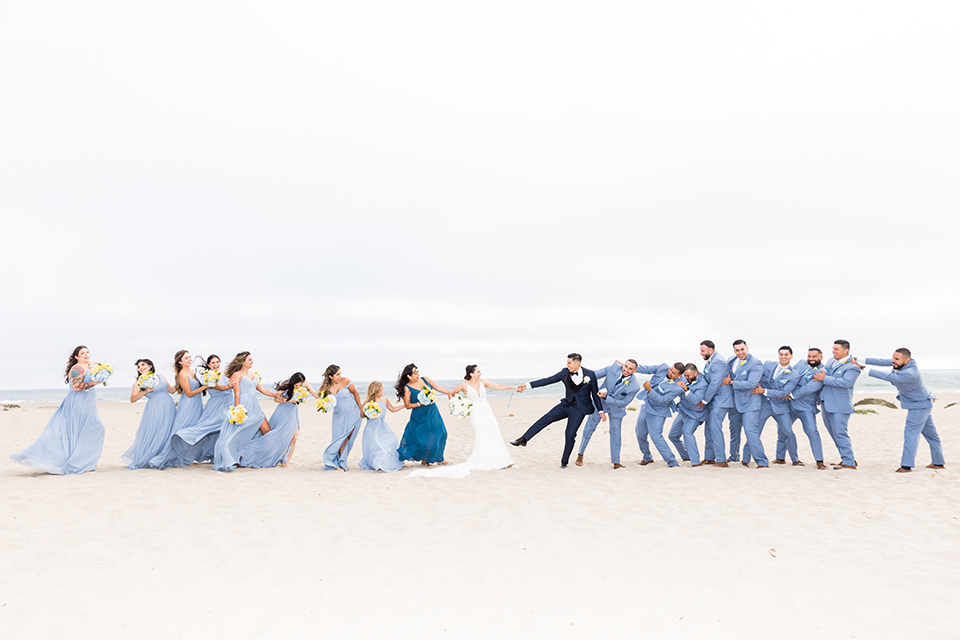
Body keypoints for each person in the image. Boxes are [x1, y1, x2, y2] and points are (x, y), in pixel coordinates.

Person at [10, 345, 106, 474]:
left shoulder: (87, 367)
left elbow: (92, 372)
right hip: (78, 402)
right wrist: (97, 382)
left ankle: (84, 462)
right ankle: (76, 462)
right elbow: (78, 387)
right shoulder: (77, 368)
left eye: (87, 352)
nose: (86, 355)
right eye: (82, 353)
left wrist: (99, 366)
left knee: (91, 430)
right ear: (76, 356)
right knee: (86, 430)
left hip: (88, 402)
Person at [855, 348, 946, 473]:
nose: (893, 361)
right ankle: (938, 463)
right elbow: (882, 361)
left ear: (907, 360)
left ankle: (906, 466)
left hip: (919, 405)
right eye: (893, 357)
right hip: (924, 403)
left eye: (896, 359)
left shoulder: (910, 373)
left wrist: (860, 366)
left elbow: (886, 376)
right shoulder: (906, 362)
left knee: (911, 434)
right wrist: (857, 358)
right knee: (931, 435)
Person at [511, 353, 605, 469]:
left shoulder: (590, 375)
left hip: (579, 410)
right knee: (546, 418)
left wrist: (601, 410)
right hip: (566, 405)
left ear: (578, 363)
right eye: (567, 362)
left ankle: (564, 462)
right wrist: (527, 385)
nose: (567, 365)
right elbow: (548, 380)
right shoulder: (564, 372)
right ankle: (524, 439)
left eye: (569, 363)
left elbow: (595, 394)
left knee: (570, 434)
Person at [213, 351, 277, 472]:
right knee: (239, 434)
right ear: (243, 362)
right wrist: (238, 411)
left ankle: (261, 457)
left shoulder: (253, 375)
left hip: (255, 408)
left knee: (267, 432)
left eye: (252, 360)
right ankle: (236, 458)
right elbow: (237, 393)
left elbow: (262, 390)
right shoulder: (236, 375)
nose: (252, 362)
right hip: (244, 407)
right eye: (249, 360)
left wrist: (275, 396)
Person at [169, 354, 236, 465]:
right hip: (210, 405)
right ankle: (181, 437)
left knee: (220, 429)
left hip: (222, 403)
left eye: (217, 362)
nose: (216, 364)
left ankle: (217, 454)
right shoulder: (208, 376)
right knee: (204, 427)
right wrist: (226, 386)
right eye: (213, 362)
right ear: (208, 365)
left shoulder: (221, 374)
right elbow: (218, 387)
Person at [238, 372, 314, 468]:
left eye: (300, 385)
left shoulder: (304, 384)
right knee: (279, 437)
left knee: (294, 438)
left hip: (293, 413)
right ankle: (257, 453)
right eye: (296, 385)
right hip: (283, 413)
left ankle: (286, 461)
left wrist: (323, 399)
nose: (298, 387)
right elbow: (276, 399)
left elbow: (314, 394)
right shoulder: (285, 385)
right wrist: (289, 400)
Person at [150, 350, 210, 469]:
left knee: (193, 430)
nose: (189, 359)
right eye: (186, 358)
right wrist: (205, 386)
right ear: (180, 362)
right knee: (183, 429)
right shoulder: (182, 374)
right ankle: (173, 457)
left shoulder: (192, 371)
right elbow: (189, 393)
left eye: (189, 357)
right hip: (188, 404)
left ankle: (186, 457)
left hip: (196, 404)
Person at [576, 359, 639, 469]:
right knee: (589, 428)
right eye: (626, 366)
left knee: (616, 434)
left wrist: (607, 397)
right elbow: (593, 375)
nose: (626, 370)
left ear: (634, 371)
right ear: (623, 365)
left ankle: (616, 462)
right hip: (599, 404)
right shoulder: (612, 368)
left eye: (630, 369)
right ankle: (580, 454)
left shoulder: (635, 386)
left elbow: (624, 403)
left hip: (616, 409)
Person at [122, 358, 177, 469]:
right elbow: (133, 399)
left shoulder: (161, 377)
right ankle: (152, 457)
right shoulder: (139, 382)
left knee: (168, 430)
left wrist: (179, 378)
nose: (140, 368)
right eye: (138, 367)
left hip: (169, 406)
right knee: (156, 431)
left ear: (150, 366)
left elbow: (171, 390)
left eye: (143, 365)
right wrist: (145, 391)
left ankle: (165, 457)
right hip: (155, 408)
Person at [752, 346, 802, 466]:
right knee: (754, 431)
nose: (783, 357)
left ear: (791, 356)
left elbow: (784, 393)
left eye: (786, 354)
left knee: (789, 432)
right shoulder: (768, 364)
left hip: (781, 407)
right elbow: (758, 376)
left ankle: (795, 459)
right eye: (781, 354)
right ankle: (746, 459)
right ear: (778, 355)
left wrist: (764, 391)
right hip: (765, 405)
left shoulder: (794, 375)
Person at [396, 364, 454, 465]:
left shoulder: (425, 379)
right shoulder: (407, 388)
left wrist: (451, 392)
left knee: (442, 433)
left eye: (417, 371)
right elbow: (408, 405)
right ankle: (426, 459)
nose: (418, 374)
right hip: (419, 415)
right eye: (414, 373)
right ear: (409, 376)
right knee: (424, 438)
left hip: (433, 412)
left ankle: (439, 458)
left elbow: (439, 388)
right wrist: (420, 403)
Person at [816, 339, 860, 470]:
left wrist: (825, 378)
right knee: (833, 433)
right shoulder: (831, 361)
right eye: (833, 348)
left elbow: (846, 383)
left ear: (846, 351)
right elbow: (823, 371)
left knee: (840, 433)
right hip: (826, 402)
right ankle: (847, 458)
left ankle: (849, 463)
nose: (833, 351)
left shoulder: (852, 366)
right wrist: (825, 376)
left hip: (840, 405)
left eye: (836, 349)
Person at [634, 362, 686, 467]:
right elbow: (646, 368)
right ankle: (647, 457)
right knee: (640, 433)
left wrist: (649, 389)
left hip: (658, 411)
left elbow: (663, 401)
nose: (669, 372)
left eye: (673, 373)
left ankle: (672, 461)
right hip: (646, 405)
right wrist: (630, 366)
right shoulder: (663, 367)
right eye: (670, 370)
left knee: (656, 436)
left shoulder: (678, 387)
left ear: (679, 376)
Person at [727, 340, 767, 468]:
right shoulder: (731, 360)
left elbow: (751, 384)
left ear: (747, 348)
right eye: (737, 350)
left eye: (742, 349)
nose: (740, 352)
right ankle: (734, 457)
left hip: (750, 403)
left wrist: (731, 383)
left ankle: (761, 461)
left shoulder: (756, 363)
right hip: (734, 403)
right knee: (734, 431)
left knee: (751, 432)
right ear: (734, 351)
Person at [788, 348, 827, 469]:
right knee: (784, 430)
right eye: (809, 356)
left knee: (811, 431)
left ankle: (819, 461)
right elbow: (791, 375)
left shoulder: (823, 370)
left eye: (814, 356)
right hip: (790, 404)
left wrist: (791, 394)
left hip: (806, 406)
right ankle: (780, 458)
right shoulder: (801, 363)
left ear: (821, 357)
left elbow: (811, 387)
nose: (811, 359)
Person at [698, 340, 736, 466]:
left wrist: (704, 400)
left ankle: (721, 460)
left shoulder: (718, 361)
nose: (701, 353)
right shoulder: (710, 361)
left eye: (703, 351)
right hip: (714, 399)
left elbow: (714, 384)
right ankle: (709, 457)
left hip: (721, 399)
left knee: (715, 428)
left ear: (711, 350)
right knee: (708, 429)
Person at [320, 365, 364, 471]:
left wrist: (361, 409)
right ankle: (342, 463)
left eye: (340, 373)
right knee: (340, 438)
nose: (340, 376)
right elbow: (321, 400)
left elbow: (356, 395)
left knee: (349, 437)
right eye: (337, 374)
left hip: (353, 412)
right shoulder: (325, 388)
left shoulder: (345, 381)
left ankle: (342, 460)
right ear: (330, 376)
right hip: (338, 415)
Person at [357, 381, 405, 472]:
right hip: (371, 428)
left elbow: (393, 409)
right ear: (375, 391)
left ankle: (387, 462)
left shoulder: (385, 400)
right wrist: (369, 412)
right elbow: (362, 415)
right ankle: (377, 464)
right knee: (376, 447)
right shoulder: (368, 402)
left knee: (389, 443)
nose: (382, 391)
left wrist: (404, 405)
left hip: (382, 426)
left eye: (382, 389)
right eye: (380, 390)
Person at [673, 363, 710, 466]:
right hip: (683, 410)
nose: (686, 378)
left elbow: (695, 400)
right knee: (673, 435)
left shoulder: (703, 384)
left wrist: (686, 389)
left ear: (696, 373)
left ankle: (696, 462)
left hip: (695, 414)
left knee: (687, 431)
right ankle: (686, 456)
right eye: (685, 376)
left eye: (688, 376)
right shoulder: (687, 378)